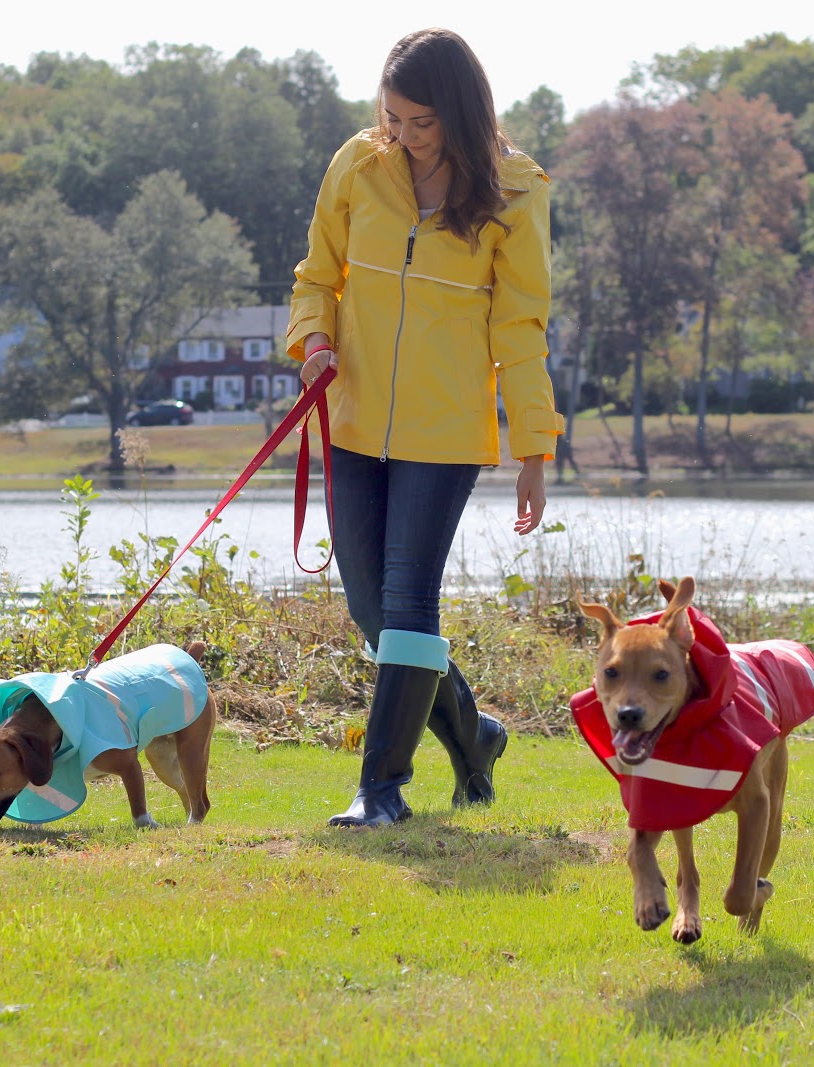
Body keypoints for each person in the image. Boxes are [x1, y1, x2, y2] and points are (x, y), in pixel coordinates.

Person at [286, 28, 564, 827]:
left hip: (443, 435)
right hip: (351, 418)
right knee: (372, 613)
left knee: (409, 602)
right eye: (392, 117)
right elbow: (316, 275)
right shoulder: (357, 163)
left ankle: (381, 789)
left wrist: (533, 449)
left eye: (421, 123)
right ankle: (473, 735)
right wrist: (314, 340)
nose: (402, 137)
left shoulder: (516, 191)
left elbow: (521, 328)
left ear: (461, 115)